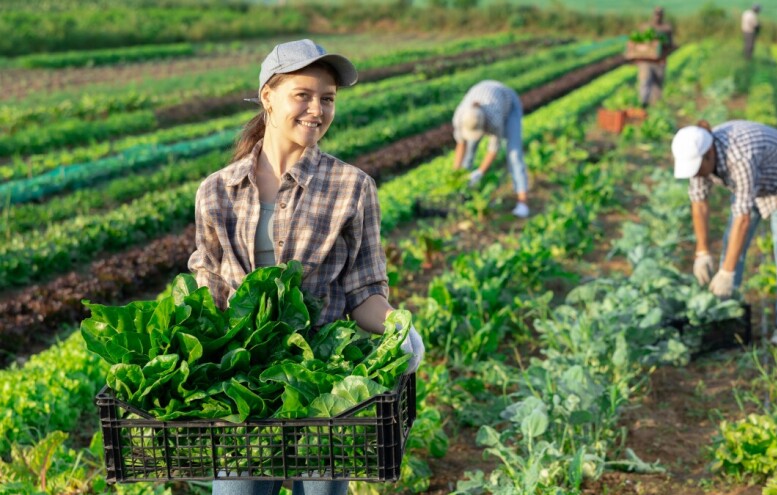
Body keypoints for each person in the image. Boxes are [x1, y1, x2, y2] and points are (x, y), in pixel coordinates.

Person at [188, 39, 425, 495]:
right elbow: (210, 297)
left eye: (328, 98)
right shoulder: (216, 191)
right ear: (268, 97)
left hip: (323, 388)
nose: (317, 109)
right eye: (303, 95)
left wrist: (399, 326)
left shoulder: (352, 187)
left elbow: (363, 295)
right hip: (245, 390)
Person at [671, 120, 777, 349]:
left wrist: (726, 272)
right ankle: (726, 312)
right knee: (732, 244)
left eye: (698, 168)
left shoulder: (740, 157)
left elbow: (743, 218)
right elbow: (699, 202)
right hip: (755, 183)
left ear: (709, 155)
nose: (695, 174)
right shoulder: (701, 157)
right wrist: (702, 251)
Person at [452, 80, 530, 218]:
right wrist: (456, 175)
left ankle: (522, 202)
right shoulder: (461, 116)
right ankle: (463, 197)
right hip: (486, 94)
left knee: (514, 154)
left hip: (509, 104)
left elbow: (493, 150)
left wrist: (480, 172)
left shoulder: (494, 119)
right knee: (468, 155)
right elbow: (461, 145)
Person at [636, 6, 674, 107]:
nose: (657, 16)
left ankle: (655, 105)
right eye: (656, 14)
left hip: (659, 61)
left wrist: (664, 52)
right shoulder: (645, 27)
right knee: (645, 82)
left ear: (662, 15)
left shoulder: (666, 28)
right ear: (653, 15)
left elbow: (670, 45)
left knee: (658, 84)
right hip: (646, 61)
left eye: (659, 14)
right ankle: (643, 104)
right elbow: (638, 44)